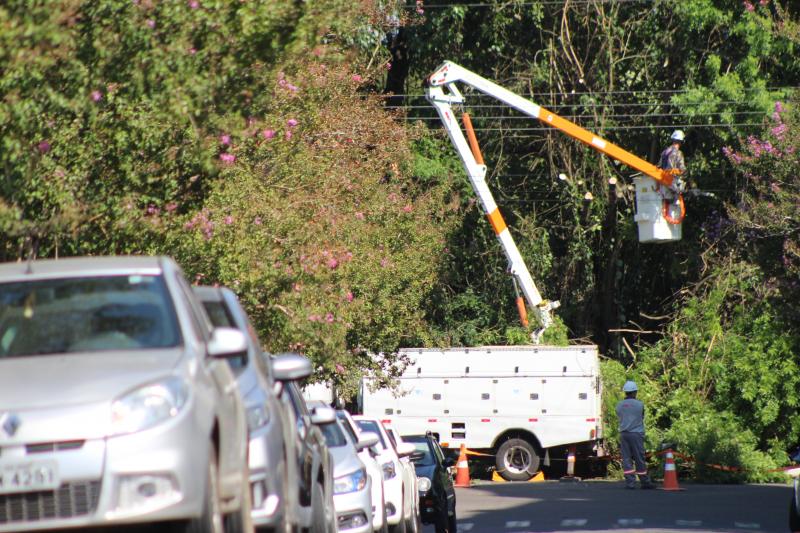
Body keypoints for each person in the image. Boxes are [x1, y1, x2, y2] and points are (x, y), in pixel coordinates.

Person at [616, 380, 654, 489]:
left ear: (625, 392)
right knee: (639, 458)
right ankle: (644, 481)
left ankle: (630, 483)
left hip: (624, 434)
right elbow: (641, 416)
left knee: (626, 458)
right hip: (636, 434)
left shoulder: (619, 405)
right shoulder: (639, 404)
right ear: (634, 392)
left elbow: (619, 416)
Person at [658, 130, 687, 196]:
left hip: (663, 182)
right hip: (672, 184)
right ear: (681, 141)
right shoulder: (678, 153)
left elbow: (659, 166)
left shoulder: (664, 152)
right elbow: (682, 169)